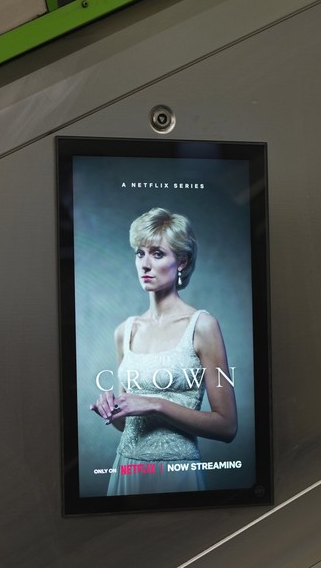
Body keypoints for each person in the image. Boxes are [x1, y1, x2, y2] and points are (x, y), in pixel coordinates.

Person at [91, 207, 237, 495]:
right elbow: (125, 425)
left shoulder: (202, 326)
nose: (145, 264)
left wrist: (156, 404)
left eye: (157, 254)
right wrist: (112, 410)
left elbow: (227, 427)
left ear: (181, 261)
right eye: (139, 253)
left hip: (178, 475)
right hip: (127, 471)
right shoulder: (125, 331)